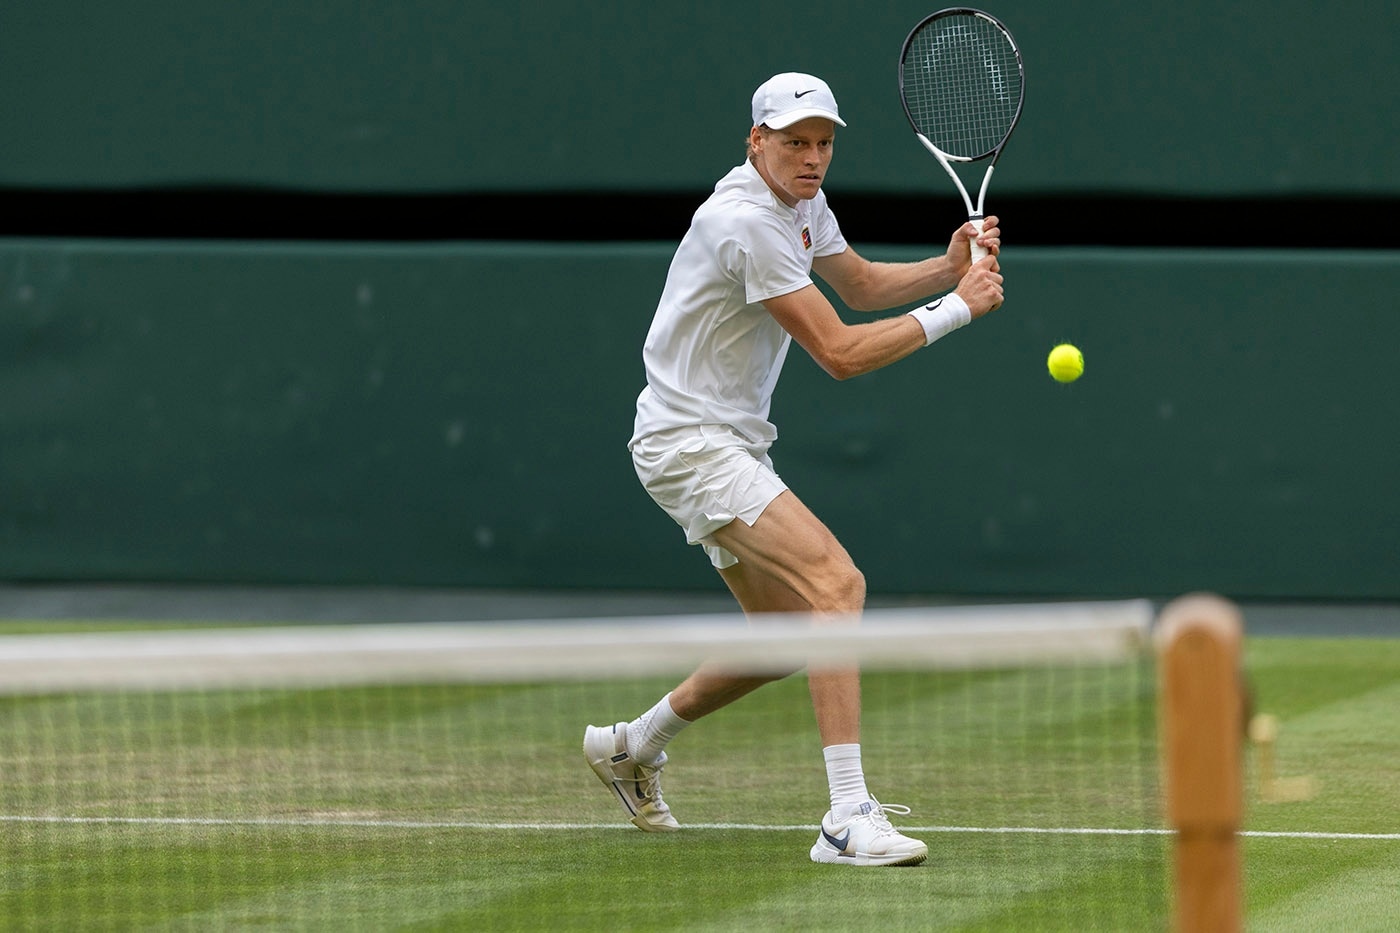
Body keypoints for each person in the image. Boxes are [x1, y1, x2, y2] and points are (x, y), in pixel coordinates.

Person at [584, 72, 1003, 867]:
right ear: (756, 143)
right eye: (794, 143)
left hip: (722, 439)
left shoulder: (801, 204)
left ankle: (630, 747)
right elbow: (840, 353)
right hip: (689, 440)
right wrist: (962, 309)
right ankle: (847, 815)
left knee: (781, 638)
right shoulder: (746, 223)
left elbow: (860, 283)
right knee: (837, 586)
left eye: (823, 143)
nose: (812, 158)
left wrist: (945, 268)